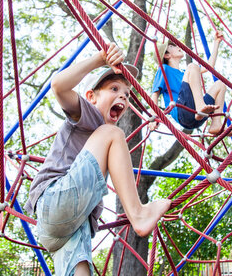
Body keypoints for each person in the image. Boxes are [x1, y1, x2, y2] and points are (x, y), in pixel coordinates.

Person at [24, 43, 171, 276]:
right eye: (114, 88)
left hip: (67, 226)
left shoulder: (102, 147)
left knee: (82, 270)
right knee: (111, 132)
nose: (122, 96)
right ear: (91, 97)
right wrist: (99, 59)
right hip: (54, 200)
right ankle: (138, 213)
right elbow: (59, 86)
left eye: (126, 94)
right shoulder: (89, 115)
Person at [149, 30, 232, 136]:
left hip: (197, 117)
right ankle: (200, 107)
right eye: (173, 46)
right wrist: (153, 115)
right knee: (192, 66)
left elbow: (209, 66)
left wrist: (216, 43)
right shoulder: (164, 69)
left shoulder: (186, 73)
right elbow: (155, 93)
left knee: (220, 85)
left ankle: (216, 124)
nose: (178, 46)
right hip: (183, 113)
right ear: (167, 55)